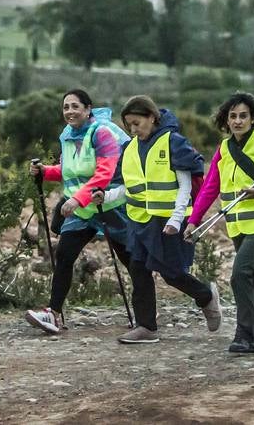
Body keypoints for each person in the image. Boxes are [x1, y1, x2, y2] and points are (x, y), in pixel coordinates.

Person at [93, 95, 221, 344]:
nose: (133, 129)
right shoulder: (129, 149)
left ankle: (205, 296)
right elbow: (128, 188)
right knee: (138, 270)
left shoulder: (172, 142)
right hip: (139, 222)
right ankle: (146, 326)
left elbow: (185, 186)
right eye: (129, 124)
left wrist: (175, 219)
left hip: (168, 223)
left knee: (171, 273)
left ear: (152, 117)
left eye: (137, 122)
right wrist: (106, 196)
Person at [185, 92, 254, 353]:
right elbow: (210, 187)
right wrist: (193, 221)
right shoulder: (224, 148)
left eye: (243, 116)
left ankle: (245, 333)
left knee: (239, 274)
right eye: (233, 116)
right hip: (238, 224)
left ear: (253, 119)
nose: (238, 121)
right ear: (226, 120)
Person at [24, 89, 133, 335]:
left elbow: (104, 174)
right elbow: (68, 169)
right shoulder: (68, 135)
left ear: (87, 108)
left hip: (108, 205)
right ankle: (53, 313)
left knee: (129, 258)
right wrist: (45, 171)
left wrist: (77, 199)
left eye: (75, 106)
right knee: (64, 256)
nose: (70, 111)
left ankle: (146, 309)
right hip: (82, 210)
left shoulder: (101, 133)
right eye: (66, 107)